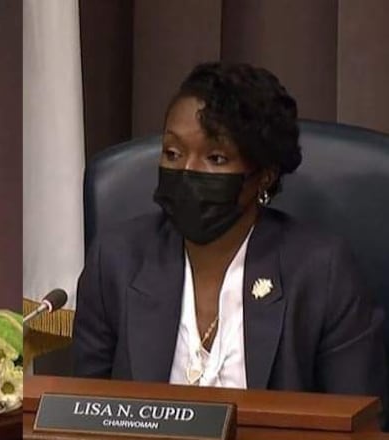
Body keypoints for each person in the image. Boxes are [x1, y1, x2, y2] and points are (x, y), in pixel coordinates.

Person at [72, 62, 386, 398]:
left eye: (216, 158)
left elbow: (359, 417)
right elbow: (83, 409)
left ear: (264, 175)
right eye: (173, 153)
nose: (187, 171)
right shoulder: (117, 260)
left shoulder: (321, 272)